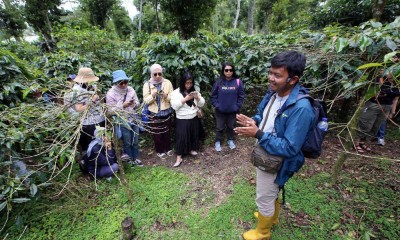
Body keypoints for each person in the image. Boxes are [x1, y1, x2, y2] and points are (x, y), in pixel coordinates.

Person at [234, 51, 315, 240]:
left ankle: (263, 232)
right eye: (270, 72)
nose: (271, 78)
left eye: (277, 75)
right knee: (271, 192)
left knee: (264, 196)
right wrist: (254, 121)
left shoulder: (301, 109)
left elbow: (289, 147)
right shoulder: (274, 92)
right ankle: (272, 218)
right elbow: (264, 113)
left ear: (293, 79)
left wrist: (258, 133)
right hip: (267, 152)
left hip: (277, 161)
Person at [106, 70, 143, 167]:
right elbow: (110, 111)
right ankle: (129, 160)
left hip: (134, 118)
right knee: (127, 142)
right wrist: (123, 106)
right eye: (120, 83)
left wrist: (134, 104)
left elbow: (137, 103)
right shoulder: (110, 94)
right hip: (122, 121)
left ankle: (135, 158)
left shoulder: (130, 90)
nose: (123, 85)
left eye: (125, 82)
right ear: (116, 83)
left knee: (135, 141)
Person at [356, 72, 400, 152]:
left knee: (376, 126)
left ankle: (363, 143)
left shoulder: (397, 84)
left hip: (386, 107)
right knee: (365, 124)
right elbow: (372, 91)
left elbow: (396, 99)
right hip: (374, 105)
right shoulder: (380, 80)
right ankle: (356, 142)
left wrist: (392, 112)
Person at [64, 67, 105, 152]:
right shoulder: (76, 91)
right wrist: (92, 101)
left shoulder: (92, 85)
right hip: (89, 123)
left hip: (99, 119)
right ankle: (92, 163)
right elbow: (78, 109)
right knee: (93, 146)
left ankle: (103, 162)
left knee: (102, 141)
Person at [170, 72, 205, 167]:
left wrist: (197, 98)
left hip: (193, 117)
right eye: (187, 83)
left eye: (190, 83)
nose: (189, 85)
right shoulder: (176, 93)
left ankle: (191, 149)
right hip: (182, 119)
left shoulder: (195, 91)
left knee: (193, 134)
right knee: (181, 138)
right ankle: (179, 157)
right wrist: (185, 99)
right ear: (182, 82)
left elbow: (202, 104)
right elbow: (174, 106)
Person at [210, 62, 245, 152]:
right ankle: (218, 141)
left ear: (233, 71)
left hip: (233, 111)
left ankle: (230, 140)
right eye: (226, 70)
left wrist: (237, 106)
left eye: (231, 70)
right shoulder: (218, 82)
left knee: (231, 126)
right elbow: (213, 96)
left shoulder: (237, 82)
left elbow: (241, 96)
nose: (228, 72)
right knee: (219, 127)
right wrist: (217, 105)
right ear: (223, 71)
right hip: (220, 111)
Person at [142, 64, 174, 159]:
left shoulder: (167, 82)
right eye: (155, 74)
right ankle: (159, 150)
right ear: (151, 74)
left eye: (159, 73)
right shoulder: (147, 84)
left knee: (167, 131)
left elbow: (172, 98)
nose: (157, 76)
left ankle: (167, 148)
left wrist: (165, 96)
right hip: (154, 112)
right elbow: (146, 101)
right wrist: (153, 96)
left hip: (166, 111)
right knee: (157, 132)